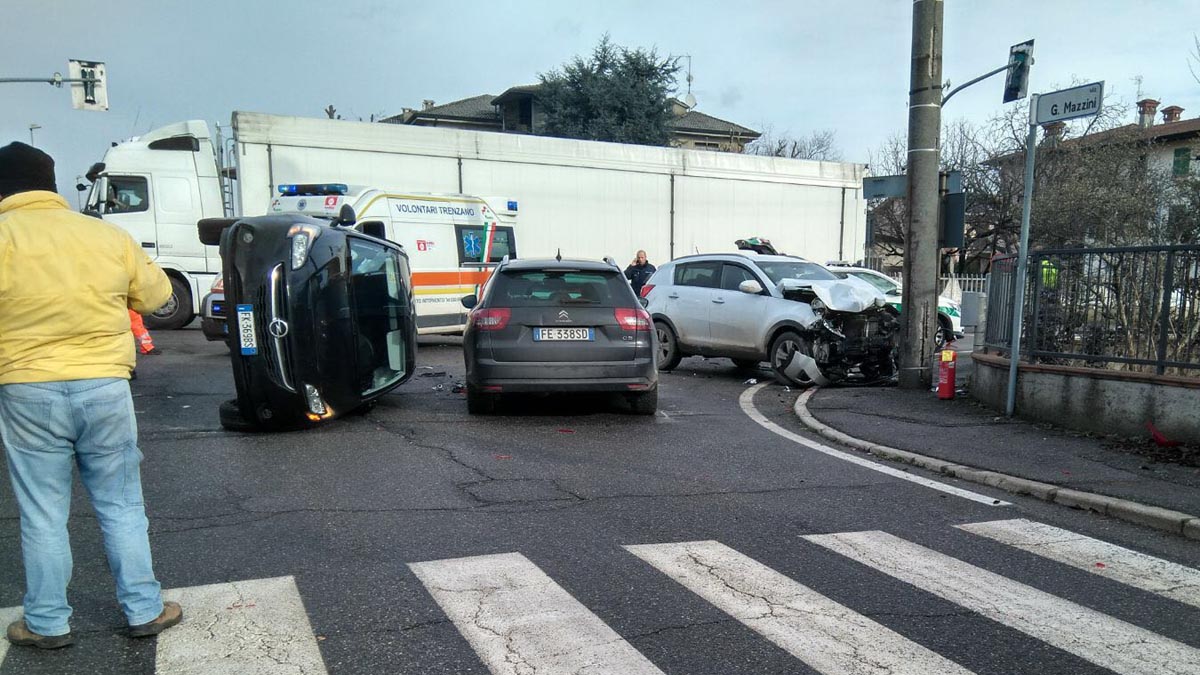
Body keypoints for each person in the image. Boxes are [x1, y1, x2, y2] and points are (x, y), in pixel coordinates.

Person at [0, 142, 182, 649]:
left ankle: (47, 622)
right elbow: (158, 296)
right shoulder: (106, 236)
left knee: (42, 512)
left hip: (25, 387)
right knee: (122, 504)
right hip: (104, 384)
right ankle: (145, 609)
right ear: (52, 183)